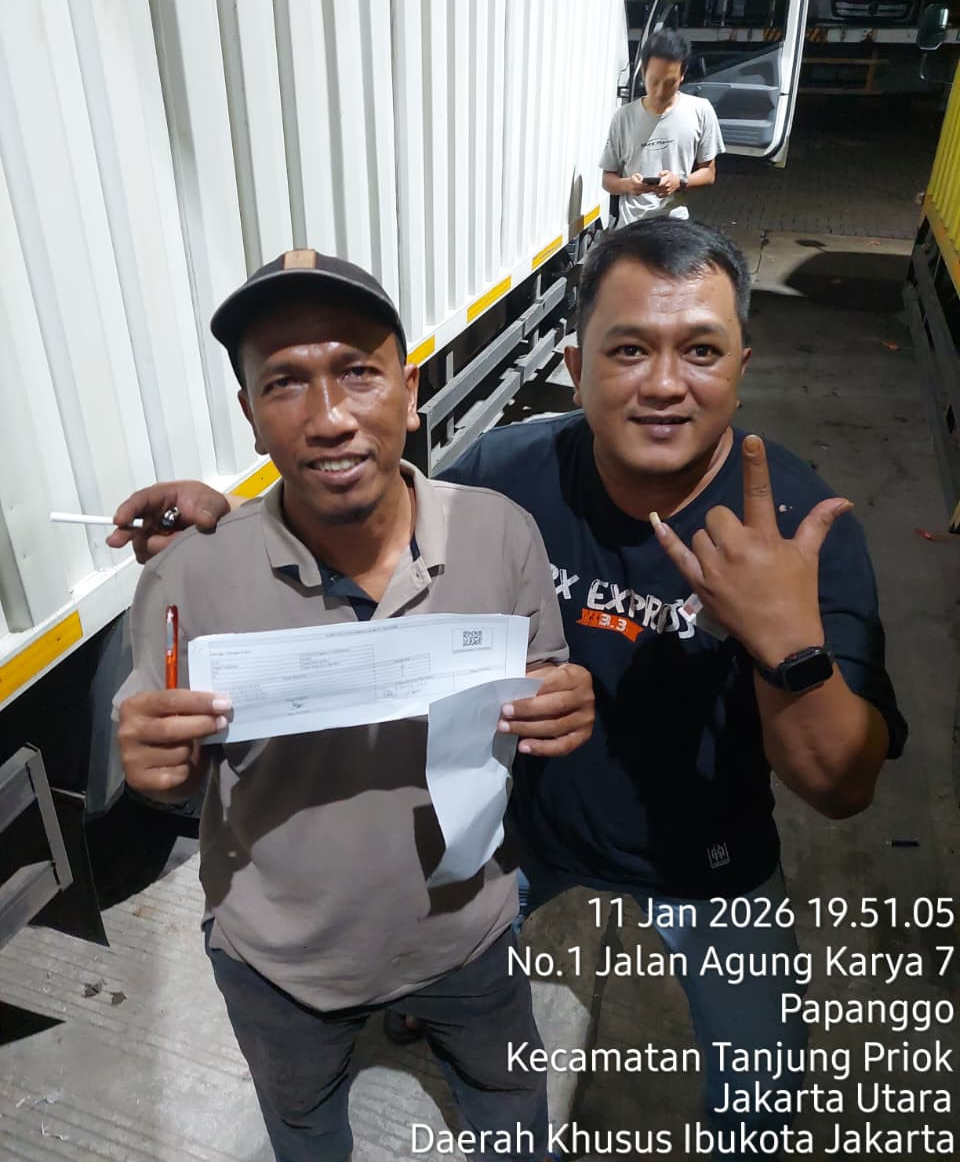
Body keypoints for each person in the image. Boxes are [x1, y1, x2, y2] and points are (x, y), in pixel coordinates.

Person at [111, 220, 907, 1160]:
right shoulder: (512, 476)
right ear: (575, 365)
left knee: (762, 1084)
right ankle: (428, 997)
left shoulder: (802, 532)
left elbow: (841, 786)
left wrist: (789, 647)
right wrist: (229, 538)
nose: (663, 383)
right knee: (464, 977)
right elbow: (370, 505)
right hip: (531, 839)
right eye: (628, 349)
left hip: (706, 857)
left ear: (741, 364)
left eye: (699, 349)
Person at [113, 249, 595, 1162]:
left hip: (469, 934)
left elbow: (542, 682)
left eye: (358, 372)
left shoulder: (500, 533)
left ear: (410, 392)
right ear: (252, 416)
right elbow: (171, 781)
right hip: (283, 965)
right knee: (305, 1135)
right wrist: (154, 772)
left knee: (511, 1108)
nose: (330, 416)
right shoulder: (188, 578)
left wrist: (563, 706)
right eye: (285, 382)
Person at [601, 28, 724, 223]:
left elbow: (709, 173)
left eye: (669, 83)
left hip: (675, 225)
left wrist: (680, 181)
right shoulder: (623, 117)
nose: (660, 91)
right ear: (643, 72)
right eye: (654, 81)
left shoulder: (701, 111)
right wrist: (628, 185)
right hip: (631, 226)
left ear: (682, 75)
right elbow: (607, 179)